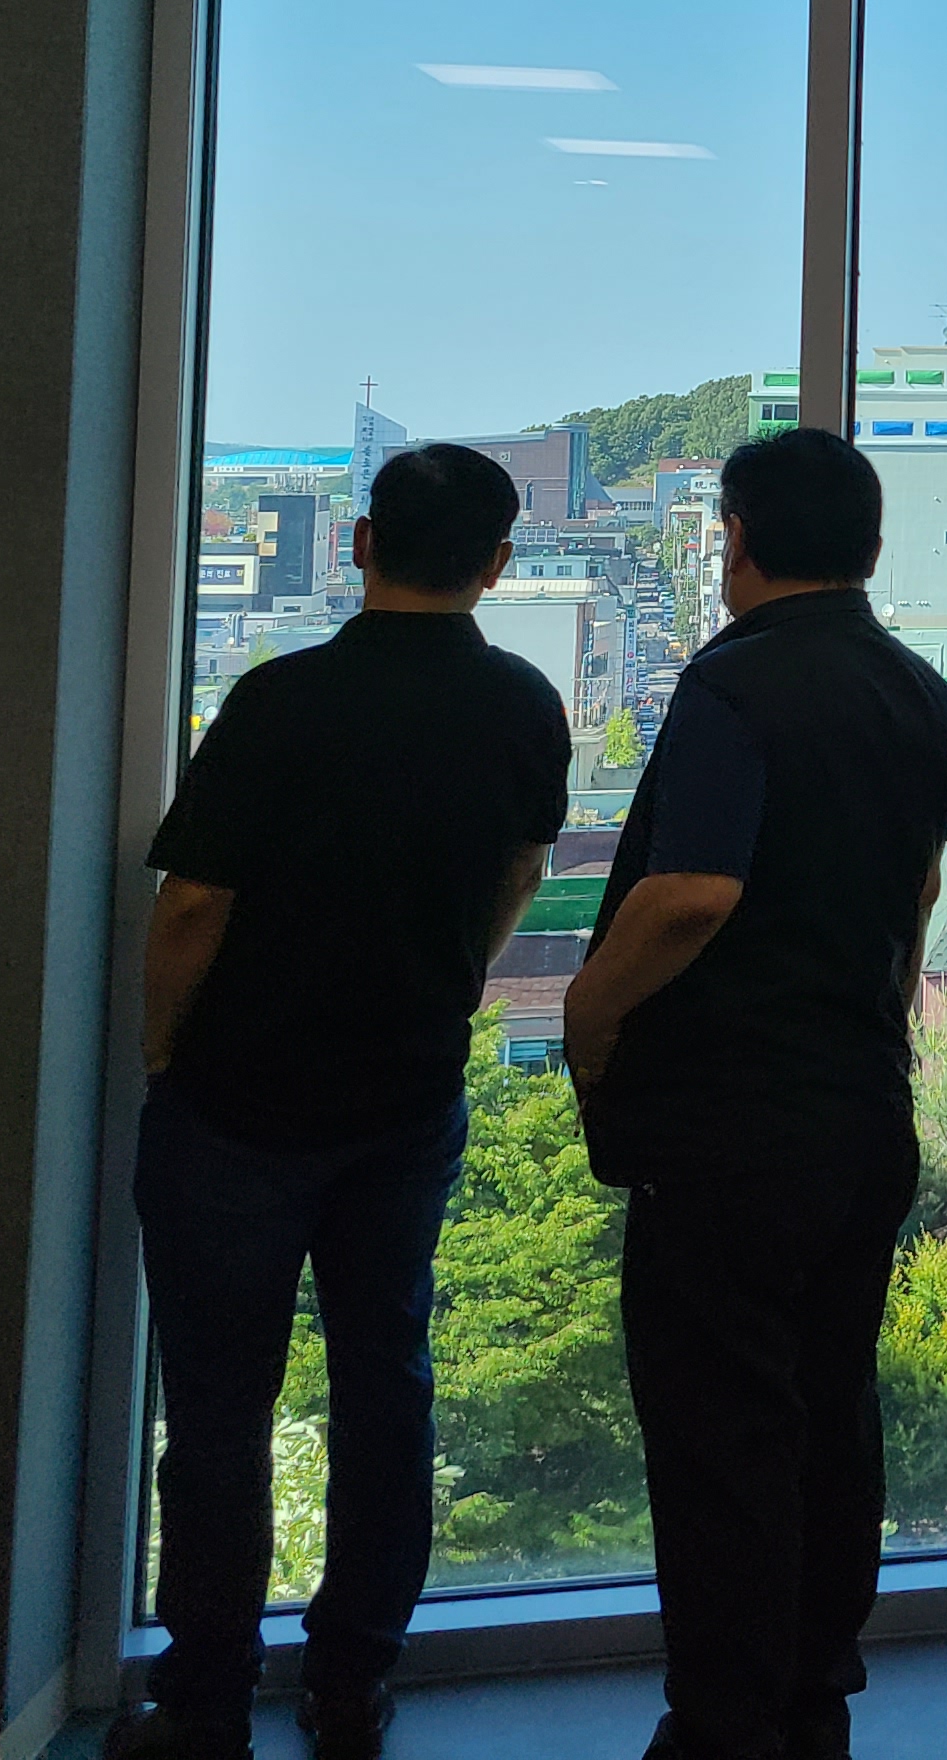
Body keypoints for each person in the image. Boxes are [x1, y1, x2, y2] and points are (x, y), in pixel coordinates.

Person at [122, 443, 568, 1760]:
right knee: (388, 1389)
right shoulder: (523, 707)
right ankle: (353, 1676)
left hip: (237, 1104)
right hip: (406, 1098)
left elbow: (193, 903)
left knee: (219, 1413)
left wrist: (161, 1051)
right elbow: (523, 867)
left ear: (361, 543)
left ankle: (204, 1700)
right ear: (497, 564)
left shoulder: (281, 700)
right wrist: (456, 981)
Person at [564, 428, 947, 1760]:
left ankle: (723, 1723)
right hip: (861, 1111)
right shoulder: (927, 698)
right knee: (831, 1413)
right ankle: (811, 1694)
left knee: (721, 1437)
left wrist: (586, 1013)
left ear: (735, 537)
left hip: (729, 1130)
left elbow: (692, 891)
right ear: (870, 547)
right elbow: (917, 893)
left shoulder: (732, 686)